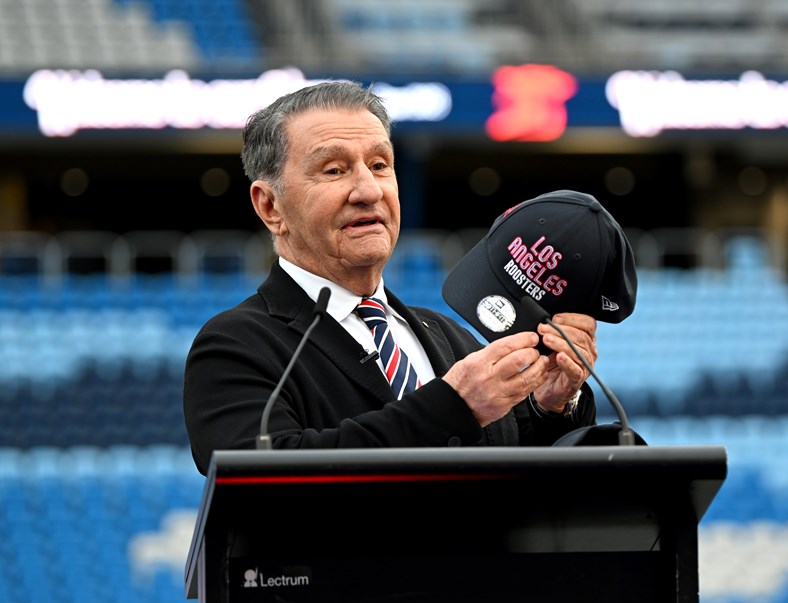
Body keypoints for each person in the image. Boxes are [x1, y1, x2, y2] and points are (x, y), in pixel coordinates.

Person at [183, 81, 599, 475]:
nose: (368, 190)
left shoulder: (449, 336)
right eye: (333, 170)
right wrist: (453, 406)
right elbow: (260, 485)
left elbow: (529, 480)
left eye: (380, 165)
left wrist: (552, 405)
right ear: (270, 206)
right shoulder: (233, 346)